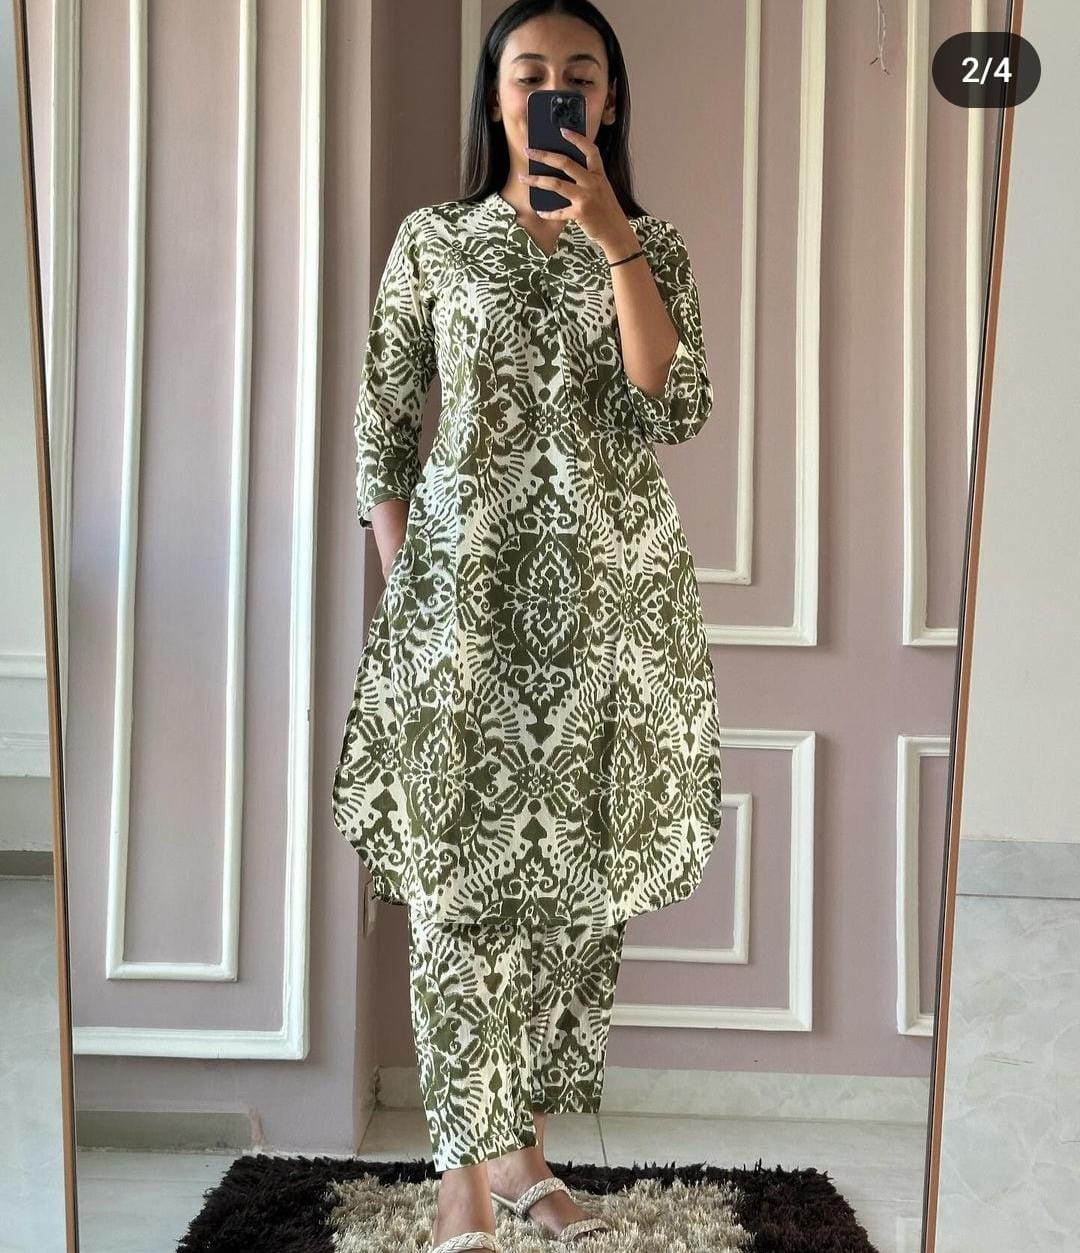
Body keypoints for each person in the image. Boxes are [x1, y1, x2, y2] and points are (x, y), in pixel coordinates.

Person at [332, 2, 724, 1248]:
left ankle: (524, 1160)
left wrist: (615, 244)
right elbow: (382, 428)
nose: (555, 91)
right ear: (496, 96)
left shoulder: (649, 243)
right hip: (462, 612)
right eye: (530, 72)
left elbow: (673, 406)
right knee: (458, 887)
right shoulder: (435, 241)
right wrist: (416, 590)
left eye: (580, 74)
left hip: (612, 614)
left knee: (573, 896)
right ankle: (461, 1175)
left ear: (609, 100)